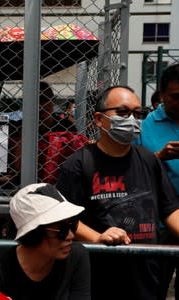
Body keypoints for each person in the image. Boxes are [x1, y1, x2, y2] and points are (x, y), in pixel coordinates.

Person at [56, 85, 179, 300]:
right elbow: (65, 218)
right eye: (122, 113)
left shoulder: (149, 160)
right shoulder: (79, 164)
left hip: (145, 274)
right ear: (99, 119)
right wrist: (98, 237)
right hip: (98, 273)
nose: (131, 119)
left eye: (138, 113)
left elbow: (170, 210)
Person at [0, 183, 90, 300]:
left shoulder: (76, 256)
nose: (70, 236)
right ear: (34, 233)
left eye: (72, 225)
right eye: (61, 230)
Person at [136, 63, 179, 299]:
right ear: (161, 95)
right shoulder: (145, 127)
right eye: (175, 97)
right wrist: (159, 158)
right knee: (155, 287)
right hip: (161, 223)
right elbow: (130, 170)